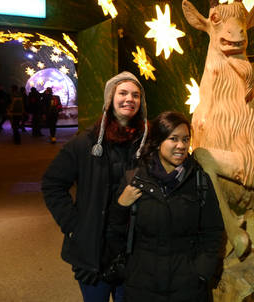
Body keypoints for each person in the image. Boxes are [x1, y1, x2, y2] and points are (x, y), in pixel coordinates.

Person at [41, 71, 149, 302]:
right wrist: (73, 225)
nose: (129, 99)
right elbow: (52, 183)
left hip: (133, 250)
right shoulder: (85, 142)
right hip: (94, 250)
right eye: (122, 93)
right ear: (110, 98)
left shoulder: (147, 144)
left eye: (135, 95)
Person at [109, 111, 224, 302]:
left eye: (186, 139)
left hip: (187, 287)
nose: (181, 146)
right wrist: (121, 205)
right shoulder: (135, 178)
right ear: (158, 141)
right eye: (174, 139)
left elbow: (213, 231)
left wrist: (201, 273)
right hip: (142, 286)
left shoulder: (198, 180)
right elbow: (114, 230)